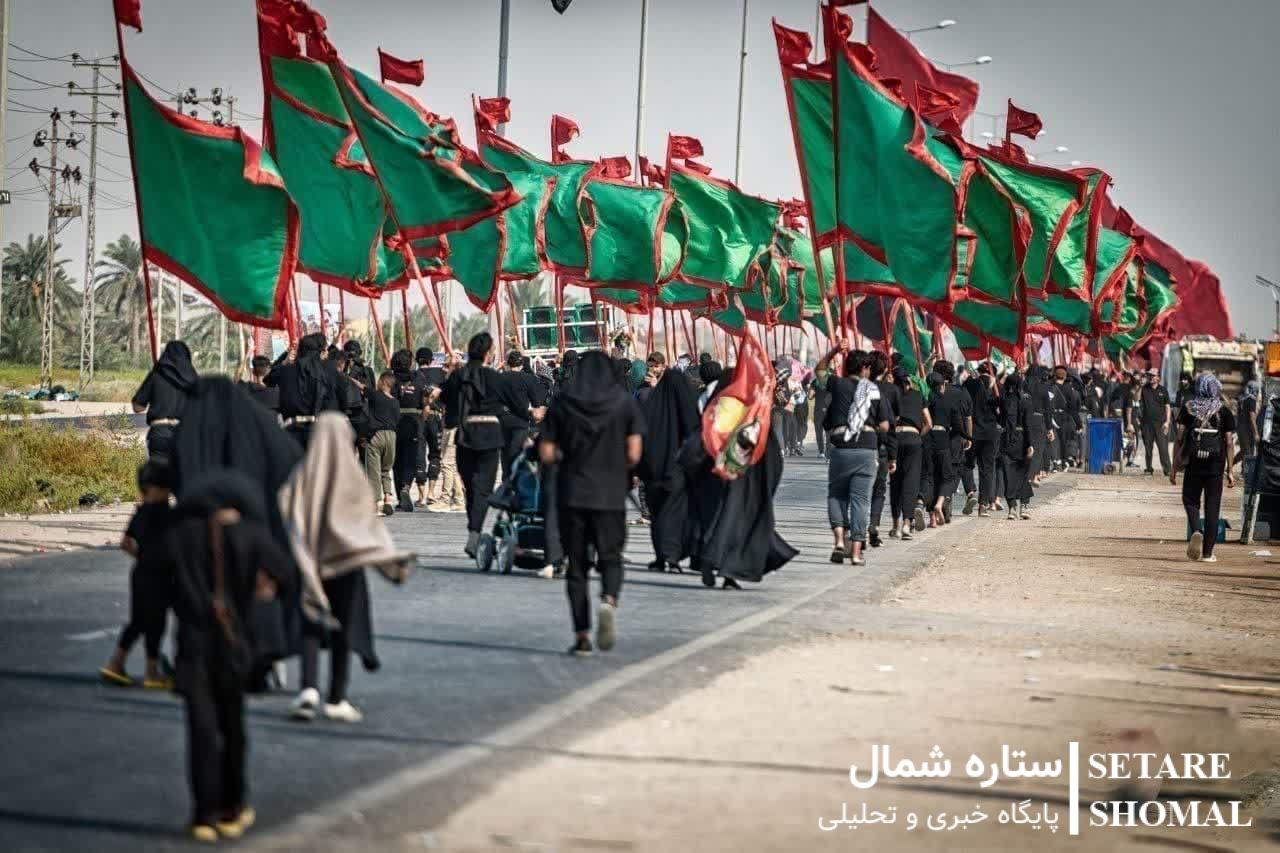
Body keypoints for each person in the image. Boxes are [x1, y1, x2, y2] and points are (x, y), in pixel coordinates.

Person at [156, 469, 295, 842]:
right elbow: (287, 575)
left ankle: (203, 815)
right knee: (232, 727)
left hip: (192, 644)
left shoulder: (179, 536)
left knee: (200, 730)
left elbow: (153, 580)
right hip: (234, 644)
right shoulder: (250, 534)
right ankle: (233, 809)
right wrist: (262, 593)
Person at [280, 413, 413, 722]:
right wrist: (389, 563)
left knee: (312, 622)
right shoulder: (353, 478)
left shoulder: (302, 475)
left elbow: (287, 513)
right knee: (343, 627)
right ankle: (336, 697)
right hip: (347, 566)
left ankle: (308, 688)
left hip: (312, 563)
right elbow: (369, 529)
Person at [540, 351, 645, 656]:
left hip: (572, 494)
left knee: (577, 567)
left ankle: (582, 636)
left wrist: (567, 457)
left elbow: (546, 452)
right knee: (611, 557)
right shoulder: (623, 403)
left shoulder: (563, 402)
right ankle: (608, 600)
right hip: (610, 495)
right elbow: (634, 453)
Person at [99, 459, 176, 689]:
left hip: (141, 572)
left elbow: (125, 543)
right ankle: (150, 672)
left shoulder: (140, 512)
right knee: (155, 623)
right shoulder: (165, 514)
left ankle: (117, 664)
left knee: (139, 621)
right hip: (159, 576)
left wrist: (142, 557)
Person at [818, 345, 892, 566]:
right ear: (865, 368)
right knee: (861, 500)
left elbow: (820, 369)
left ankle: (840, 542)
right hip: (866, 449)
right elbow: (885, 425)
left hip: (841, 448)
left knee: (836, 495)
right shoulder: (873, 390)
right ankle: (857, 553)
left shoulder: (837, 384)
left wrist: (834, 350)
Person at [436, 333, 506, 556]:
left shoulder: (459, 375)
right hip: (490, 436)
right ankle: (474, 532)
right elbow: (510, 403)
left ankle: (473, 531)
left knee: (470, 487)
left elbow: (444, 398)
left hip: (465, 435)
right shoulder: (495, 377)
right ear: (488, 354)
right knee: (483, 489)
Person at [639, 366, 701, 572]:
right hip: (677, 471)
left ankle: (660, 557)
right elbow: (694, 436)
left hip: (652, 471)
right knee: (673, 514)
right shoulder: (688, 410)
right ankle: (672, 557)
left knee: (656, 515)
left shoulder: (650, 406)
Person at [1171, 373, 1236, 563]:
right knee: (1212, 507)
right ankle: (1207, 554)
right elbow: (1229, 442)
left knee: (1190, 500)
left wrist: (1174, 467)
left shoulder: (1189, 408)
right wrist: (1230, 471)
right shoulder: (1223, 411)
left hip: (1194, 463)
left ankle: (1196, 530)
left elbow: (1179, 438)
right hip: (1215, 465)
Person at [133, 340, 198, 460]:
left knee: (159, 471)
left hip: (159, 433)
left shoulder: (156, 375)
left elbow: (138, 407)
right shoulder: (194, 379)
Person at [267, 333, 333, 450]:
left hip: (291, 429)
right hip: (316, 430)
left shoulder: (286, 370)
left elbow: (268, 379)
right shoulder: (324, 372)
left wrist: (284, 359)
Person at [888, 367, 929, 541]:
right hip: (913, 440)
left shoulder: (890, 395)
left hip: (895, 439)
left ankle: (895, 526)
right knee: (910, 482)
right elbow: (928, 423)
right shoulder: (918, 396)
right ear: (909, 381)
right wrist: (917, 436)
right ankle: (907, 524)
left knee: (895, 483)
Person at [496, 349, 549, 481]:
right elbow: (536, 402)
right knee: (517, 453)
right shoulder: (528, 378)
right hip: (521, 420)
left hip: (502, 420)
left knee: (505, 453)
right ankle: (516, 481)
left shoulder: (499, 378)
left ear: (508, 363)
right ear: (521, 365)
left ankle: (506, 481)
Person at [926, 369, 967, 527]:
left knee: (930, 477)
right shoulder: (949, 402)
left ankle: (932, 518)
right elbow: (958, 426)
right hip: (943, 440)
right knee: (947, 476)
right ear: (942, 385)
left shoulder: (926, 400)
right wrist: (967, 437)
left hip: (927, 440)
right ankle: (939, 503)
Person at [868, 351, 900, 546]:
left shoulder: (856, 388)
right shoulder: (890, 391)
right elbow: (891, 426)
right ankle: (874, 524)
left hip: (855, 445)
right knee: (879, 489)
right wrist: (892, 456)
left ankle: (855, 529)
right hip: (879, 447)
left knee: (858, 491)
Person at [389, 349, 426, 512]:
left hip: (395, 422)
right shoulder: (418, 378)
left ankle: (399, 496)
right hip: (413, 421)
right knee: (411, 459)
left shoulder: (390, 378)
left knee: (397, 461)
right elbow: (425, 400)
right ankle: (406, 486)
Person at [963, 363, 1001, 516]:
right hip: (990, 433)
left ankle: (971, 491)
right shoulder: (997, 387)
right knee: (987, 469)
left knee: (966, 465)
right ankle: (983, 505)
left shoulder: (968, 384)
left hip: (971, 432)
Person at [999, 372, 1036, 520]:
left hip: (1007, 440)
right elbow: (1028, 424)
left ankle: (1012, 508)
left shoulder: (1003, 400)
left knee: (1009, 476)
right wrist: (1030, 444)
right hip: (1022, 441)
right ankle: (1024, 506)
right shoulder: (1026, 400)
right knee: (1023, 475)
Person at [362, 371, 400, 516]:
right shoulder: (395, 402)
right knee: (386, 469)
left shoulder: (376, 395)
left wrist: (349, 378)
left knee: (374, 471)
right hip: (391, 435)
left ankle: (376, 505)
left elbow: (361, 387)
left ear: (383, 382)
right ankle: (388, 499)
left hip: (377, 435)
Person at [413, 347, 446, 507]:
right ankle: (431, 493)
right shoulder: (441, 374)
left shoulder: (414, 375)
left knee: (419, 454)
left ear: (416, 360)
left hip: (418, 418)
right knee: (435, 454)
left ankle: (421, 496)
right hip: (436, 418)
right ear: (432, 360)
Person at [1139, 367, 1172, 476]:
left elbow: (1167, 407)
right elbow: (1136, 399)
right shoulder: (1144, 389)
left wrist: (1167, 422)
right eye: (1150, 376)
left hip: (1160, 424)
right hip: (1147, 424)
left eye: (1153, 376)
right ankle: (1149, 468)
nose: (1151, 378)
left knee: (1163, 448)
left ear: (1158, 378)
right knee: (1148, 448)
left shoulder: (1163, 390)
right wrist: (1140, 386)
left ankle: (1167, 469)